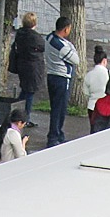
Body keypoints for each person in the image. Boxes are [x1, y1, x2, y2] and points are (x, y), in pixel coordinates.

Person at [44, 16, 80, 148]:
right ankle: (54, 136)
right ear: (65, 29)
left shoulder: (49, 38)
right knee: (59, 109)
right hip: (62, 78)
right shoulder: (62, 47)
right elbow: (76, 59)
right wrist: (72, 48)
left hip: (51, 76)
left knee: (55, 107)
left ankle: (57, 133)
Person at [8, 12, 46, 126]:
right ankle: (24, 117)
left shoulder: (20, 34)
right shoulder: (35, 37)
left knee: (25, 90)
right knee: (29, 93)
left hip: (22, 65)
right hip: (32, 68)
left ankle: (17, 113)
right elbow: (42, 46)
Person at [82, 45, 110, 122]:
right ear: (104, 61)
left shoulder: (89, 75)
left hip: (92, 106)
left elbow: (86, 93)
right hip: (107, 107)